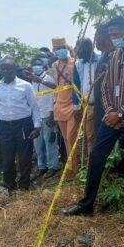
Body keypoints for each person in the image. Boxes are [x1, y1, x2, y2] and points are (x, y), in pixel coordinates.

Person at [61, 16, 124, 215]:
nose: (113, 38)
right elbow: (104, 87)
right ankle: (86, 205)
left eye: (116, 34)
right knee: (96, 155)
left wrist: (120, 112)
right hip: (112, 117)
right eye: (111, 34)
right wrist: (112, 110)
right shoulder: (113, 56)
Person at [0, 56, 41, 192]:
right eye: (4, 69)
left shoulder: (26, 86)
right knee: (7, 158)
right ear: (1, 70)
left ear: (15, 70)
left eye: (9, 69)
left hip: (23, 125)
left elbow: (34, 107)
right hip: (4, 126)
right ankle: (9, 186)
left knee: (25, 157)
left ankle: (24, 186)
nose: (6, 72)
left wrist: (37, 126)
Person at [52, 37, 78, 172]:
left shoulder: (74, 63)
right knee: (65, 139)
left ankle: (75, 167)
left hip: (72, 105)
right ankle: (71, 168)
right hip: (59, 105)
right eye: (57, 49)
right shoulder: (54, 66)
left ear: (66, 47)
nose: (60, 50)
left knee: (71, 137)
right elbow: (56, 86)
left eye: (62, 47)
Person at [29, 57, 59, 179]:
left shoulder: (48, 78)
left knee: (50, 142)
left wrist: (52, 115)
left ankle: (52, 167)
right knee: (38, 144)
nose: (36, 66)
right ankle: (42, 167)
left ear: (43, 66)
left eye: (38, 64)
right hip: (36, 118)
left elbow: (54, 93)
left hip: (48, 116)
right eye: (34, 64)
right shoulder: (31, 82)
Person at [73, 38, 99, 155]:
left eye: (80, 49)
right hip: (86, 106)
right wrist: (76, 107)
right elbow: (76, 86)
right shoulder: (78, 64)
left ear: (89, 48)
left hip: (100, 106)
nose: (77, 52)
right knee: (89, 137)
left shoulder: (100, 61)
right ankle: (91, 165)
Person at [93, 23, 114, 135]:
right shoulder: (103, 56)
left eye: (97, 35)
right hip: (100, 107)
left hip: (112, 111)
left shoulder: (115, 56)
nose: (95, 39)